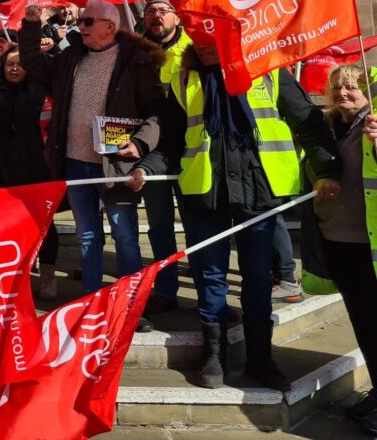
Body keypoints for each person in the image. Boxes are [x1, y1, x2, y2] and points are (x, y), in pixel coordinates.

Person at [131, 40, 340, 390]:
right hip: (204, 194)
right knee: (209, 276)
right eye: (201, 35)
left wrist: (327, 169)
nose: (209, 44)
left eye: (216, 35)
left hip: (260, 191)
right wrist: (146, 167)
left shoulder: (271, 72)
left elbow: (309, 123)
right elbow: (172, 141)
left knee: (257, 278)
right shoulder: (185, 81)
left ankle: (261, 359)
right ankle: (214, 356)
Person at [19, 0, 164, 333]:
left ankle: (128, 305)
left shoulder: (136, 63)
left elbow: (155, 113)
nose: (80, 27)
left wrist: (139, 145)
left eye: (87, 22)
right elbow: (33, 63)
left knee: (125, 234)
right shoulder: (71, 57)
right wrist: (30, 24)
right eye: (81, 22)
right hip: (75, 162)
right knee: (87, 235)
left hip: (115, 166)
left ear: (109, 27)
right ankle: (92, 303)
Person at [302, 66, 377, 427]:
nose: (344, 93)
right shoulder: (325, 126)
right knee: (363, 324)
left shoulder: (374, 123)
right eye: (337, 88)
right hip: (337, 240)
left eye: (351, 87)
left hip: (371, 245)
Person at [139, 0, 194, 316]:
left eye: (163, 10)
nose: (156, 16)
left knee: (197, 225)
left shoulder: (194, 49)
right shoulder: (135, 52)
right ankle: (165, 289)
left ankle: (204, 288)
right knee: (159, 225)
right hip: (154, 153)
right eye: (151, 11)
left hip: (191, 151)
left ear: (176, 16)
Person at [0, 46, 58, 299]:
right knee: (11, 229)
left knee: (45, 226)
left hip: (38, 168)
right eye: (9, 65)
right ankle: (18, 277)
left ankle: (48, 275)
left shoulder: (40, 89)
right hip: (3, 170)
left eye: (20, 64)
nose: (15, 69)